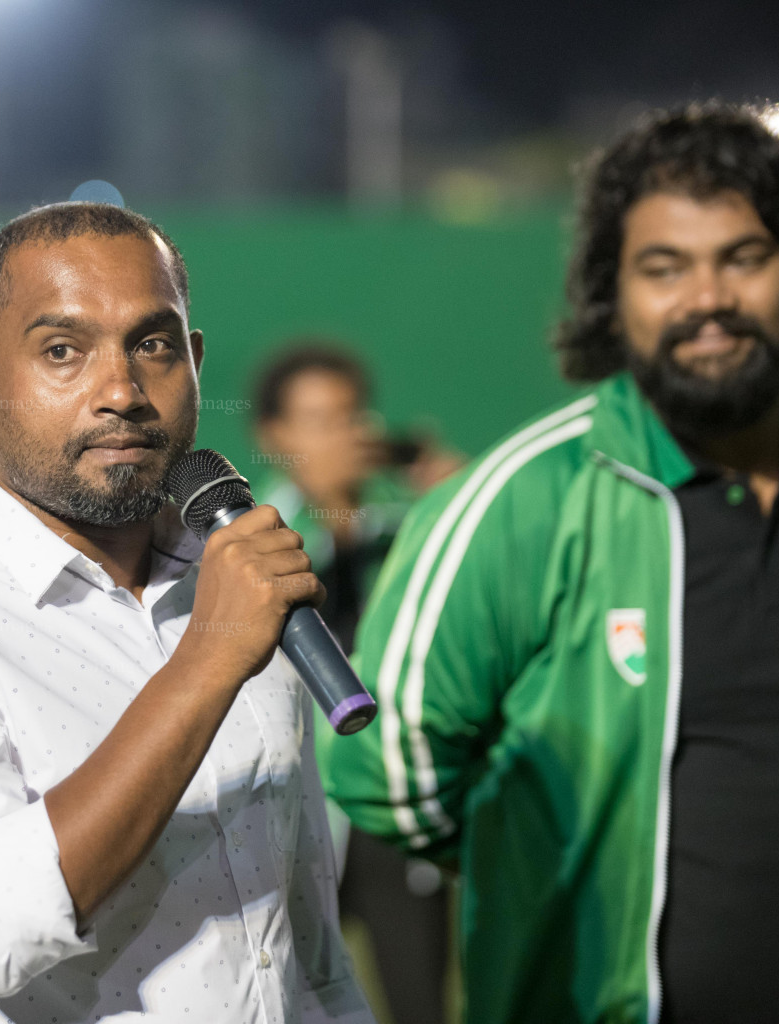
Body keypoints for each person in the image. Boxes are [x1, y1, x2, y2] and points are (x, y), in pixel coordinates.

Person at [326, 101, 779, 1024]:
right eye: (664, 268)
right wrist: (545, 866)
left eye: (744, 257)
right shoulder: (520, 501)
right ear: (611, 295)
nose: (708, 298)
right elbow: (385, 768)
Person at [0, 202, 374, 1024]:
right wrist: (207, 663)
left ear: (196, 361)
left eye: (154, 344)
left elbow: (306, 954)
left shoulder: (236, 586)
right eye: (62, 351)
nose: (122, 392)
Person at [253, 345, 456, 1024]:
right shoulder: (249, 538)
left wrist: (453, 507)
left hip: (389, 810)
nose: (342, 435)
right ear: (274, 436)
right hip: (289, 812)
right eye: (319, 420)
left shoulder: (411, 532)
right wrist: (328, 508)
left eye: (351, 417)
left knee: (421, 1004)